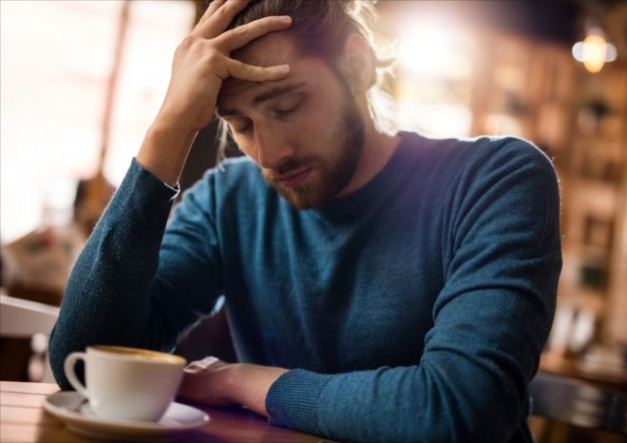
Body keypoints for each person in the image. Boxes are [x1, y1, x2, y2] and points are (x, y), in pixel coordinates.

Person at [49, 1, 562, 442]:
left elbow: (460, 411)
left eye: (288, 105)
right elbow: (85, 364)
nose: (269, 154)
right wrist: (169, 127)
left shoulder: (497, 180)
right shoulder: (229, 200)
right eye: (241, 124)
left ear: (356, 66)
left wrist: (240, 381)